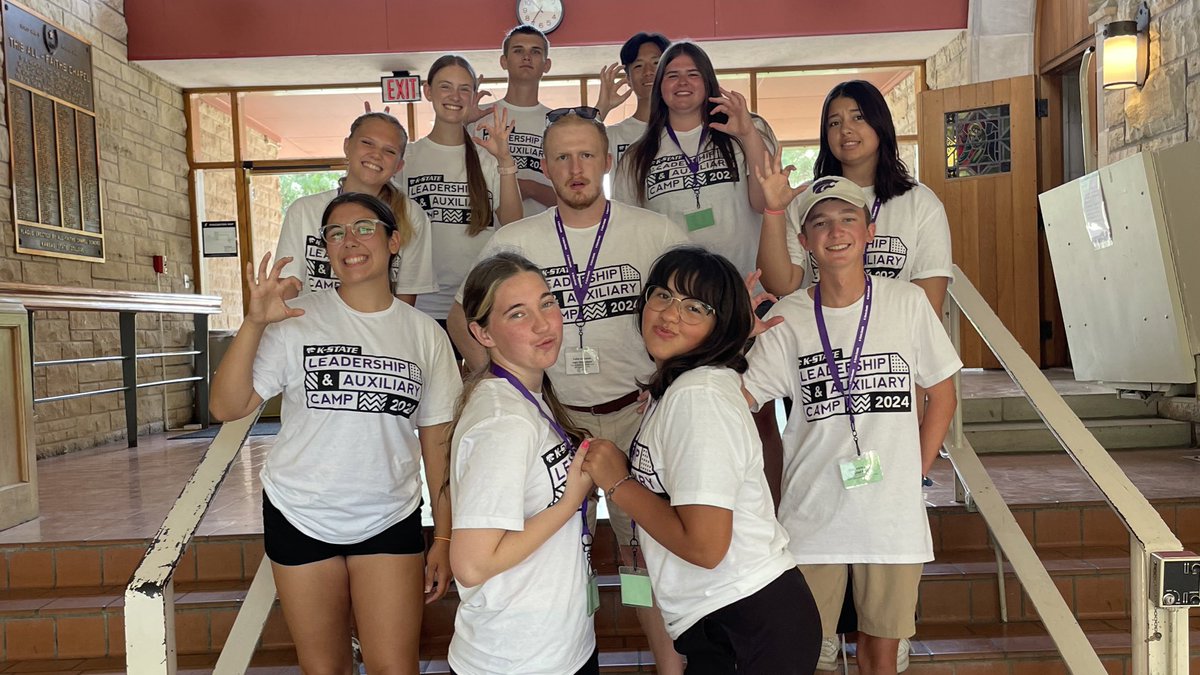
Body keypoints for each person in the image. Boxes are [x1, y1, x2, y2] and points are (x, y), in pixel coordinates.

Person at [446, 109, 690, 673]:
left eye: (586, 155)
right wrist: (504, 378)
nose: (575, 168)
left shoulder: (655, 233)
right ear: (545, 165)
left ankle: (669, 668)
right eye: (561, 157)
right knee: (559, 545)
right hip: (553, 420)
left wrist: (669, 383)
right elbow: (463, 316)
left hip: (634, 416)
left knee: (645, 555)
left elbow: (687, 316)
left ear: (608, 160)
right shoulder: (515, 239)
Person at [210, 192, 461, 673]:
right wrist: (254, 322)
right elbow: (226, 406)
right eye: (335, 233)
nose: (350, 241)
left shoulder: (424, 334)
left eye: (365, 228)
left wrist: (445, 538)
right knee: (325, 669)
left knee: (395, 668)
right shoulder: (295, 319)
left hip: (388, 516)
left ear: (393, 242)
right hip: (300, 512)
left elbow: (437, 446)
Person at [743, 172, 961, 674]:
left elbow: (942, 394)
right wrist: (734, 341)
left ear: (869, 232)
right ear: (804, 242)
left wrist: (914, 471)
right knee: (801, 651)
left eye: (847, 218)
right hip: (812, 511)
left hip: (890, 517)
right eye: (820, 223)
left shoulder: (906, 303)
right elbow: (743, 399)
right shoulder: (788, 317)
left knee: (880, 654)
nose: (835, 231)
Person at [581, 246, 820, 674]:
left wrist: (618, 483)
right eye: (663, 295)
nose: (670, 314)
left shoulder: (698, 397)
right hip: (732, 617)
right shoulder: (683, 386)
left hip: (747, 620)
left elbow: (706, 547)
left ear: (719, 326)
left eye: (695, 307)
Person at [447, 252, 598, 675]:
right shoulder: (504, 420)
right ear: (482, 333)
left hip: (557, 646)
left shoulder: (526, 397)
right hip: (516, 658)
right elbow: (473, 564)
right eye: (517, 314)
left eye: (547, 304)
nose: (543, 324)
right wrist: (570, 503)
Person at [755, 80, 952, 316]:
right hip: (821, 334)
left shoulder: (920, 203)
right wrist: (774, 210)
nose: (845, 130)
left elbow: (928, 306)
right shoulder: (805, 200)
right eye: (834, 123)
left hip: (895, 335)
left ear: (880, 123)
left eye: (858, 117)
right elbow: (780, 284)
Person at [402, 54, 523, 329]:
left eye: (464, 89)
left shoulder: (488, 158)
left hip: (478, 302)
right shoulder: (407, 157)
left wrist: (505, 160)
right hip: (423, 305)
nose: (454, 96)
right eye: (445, 86)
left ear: (473, 96)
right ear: (428, 91)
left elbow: (513, 223)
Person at [274, 112, 435, 304]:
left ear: (399, 166)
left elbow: (406, 298)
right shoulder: (303, 210)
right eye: (367, 143)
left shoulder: (411, 215)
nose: (376, 155)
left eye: (389, 151)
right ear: (347, 146)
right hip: (311, 323)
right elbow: (287, 287)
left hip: (379, 324)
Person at [475, 25, 557, 217]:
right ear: (504, 61)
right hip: (488, 231)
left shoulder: (557, 123)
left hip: (544, 230)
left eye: (535, 52)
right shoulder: (479, 117)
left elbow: (573, 196)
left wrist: (530, 188)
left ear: (547, 65)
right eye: (518, 50)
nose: (526, 57)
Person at [595, 32, 671, 169]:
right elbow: (573, 151)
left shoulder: (689, 128)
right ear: (628, 79)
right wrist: (602, 108)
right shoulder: (613, 135)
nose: (648, 71)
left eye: (656, 63)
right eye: (638, 66)